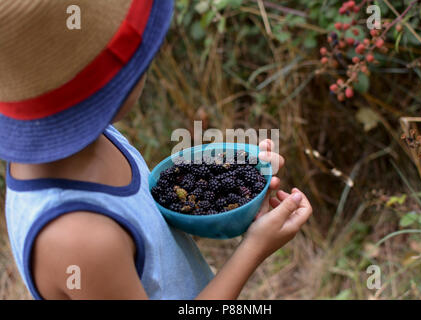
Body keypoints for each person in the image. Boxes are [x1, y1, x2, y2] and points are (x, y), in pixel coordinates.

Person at [0, 0, 312, 300]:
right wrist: (253, 248)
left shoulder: (87, 136)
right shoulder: (81, 240)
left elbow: (147, 233)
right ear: (103, 87)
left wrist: (234, 189)